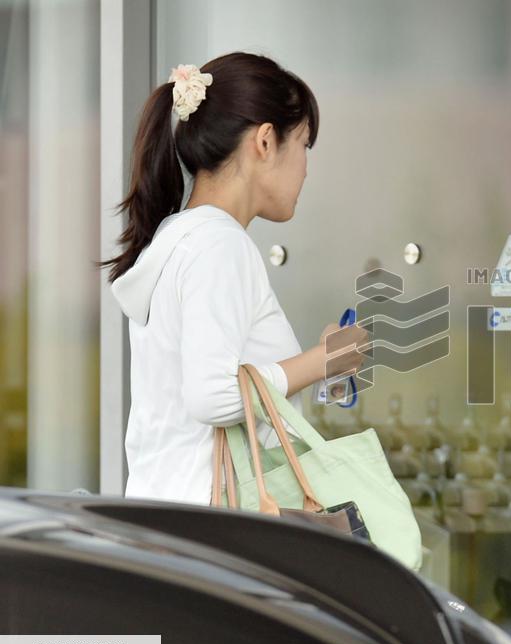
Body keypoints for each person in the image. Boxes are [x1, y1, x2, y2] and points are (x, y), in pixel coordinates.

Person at [99, 52, 367, 505]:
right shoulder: (218, 244)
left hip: (168, 518)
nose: (306, 167)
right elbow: (214, 397)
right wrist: (323, 361)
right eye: (303, 144)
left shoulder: (178, 239)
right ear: (265, 142)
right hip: (211, 533)